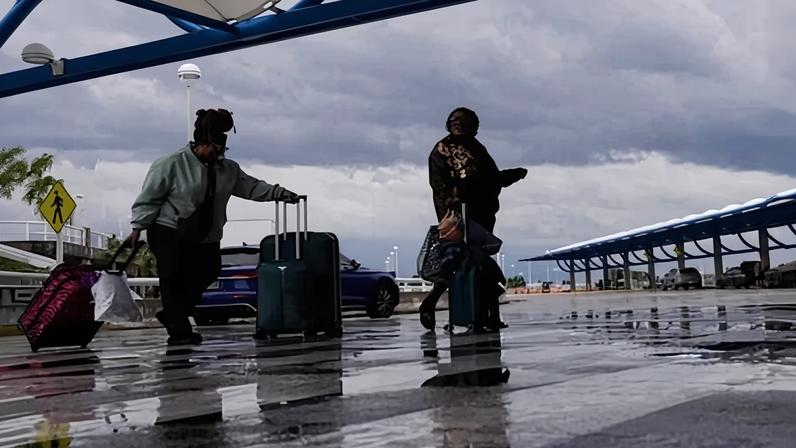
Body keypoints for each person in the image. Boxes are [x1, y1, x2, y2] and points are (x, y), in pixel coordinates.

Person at [125, 109, 299, 345]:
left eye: (221, 150)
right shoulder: (171, 164)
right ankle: (179, 332)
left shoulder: (227, 169)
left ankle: (174, 314)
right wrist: (137, 227)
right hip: (169, 230)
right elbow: (149, 197)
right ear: (201, 144)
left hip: (206, 233)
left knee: (209, 270)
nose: (218, 154)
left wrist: (280, 193)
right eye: (214, 149)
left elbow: (251, 187)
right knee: (172, 276)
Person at [419, 107, 527, 331]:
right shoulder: (442, 149)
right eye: (454, 120)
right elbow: (441, 187)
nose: (457, 123)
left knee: (473, 262)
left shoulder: (477, 148)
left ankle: (485, 314)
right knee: (465, 260)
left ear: (474, 127)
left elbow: (491, 179)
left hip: (482, 214)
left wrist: (511, 175)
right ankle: (468, 311)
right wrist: (459, 197)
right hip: (458, 217)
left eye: (463, 120)